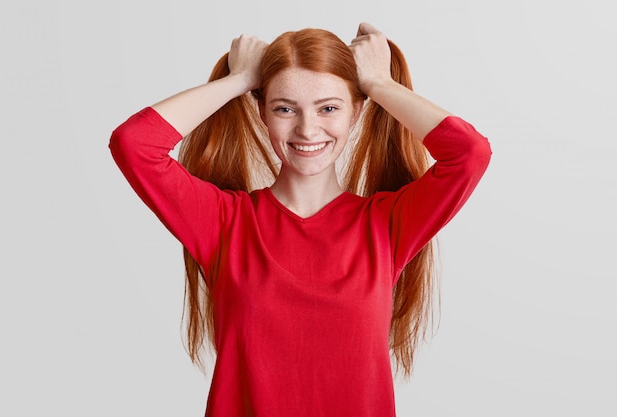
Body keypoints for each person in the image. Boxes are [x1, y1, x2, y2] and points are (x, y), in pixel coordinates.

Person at [109, 22, 491, 417]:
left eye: (329, 108)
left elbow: (469, 154)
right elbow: (134, 144)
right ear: (262, 112)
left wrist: (377, 82)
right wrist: (239, 79)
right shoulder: (223, 223)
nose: (307, 129)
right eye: (285, 108)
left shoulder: (386, 225)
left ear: (356, 112)